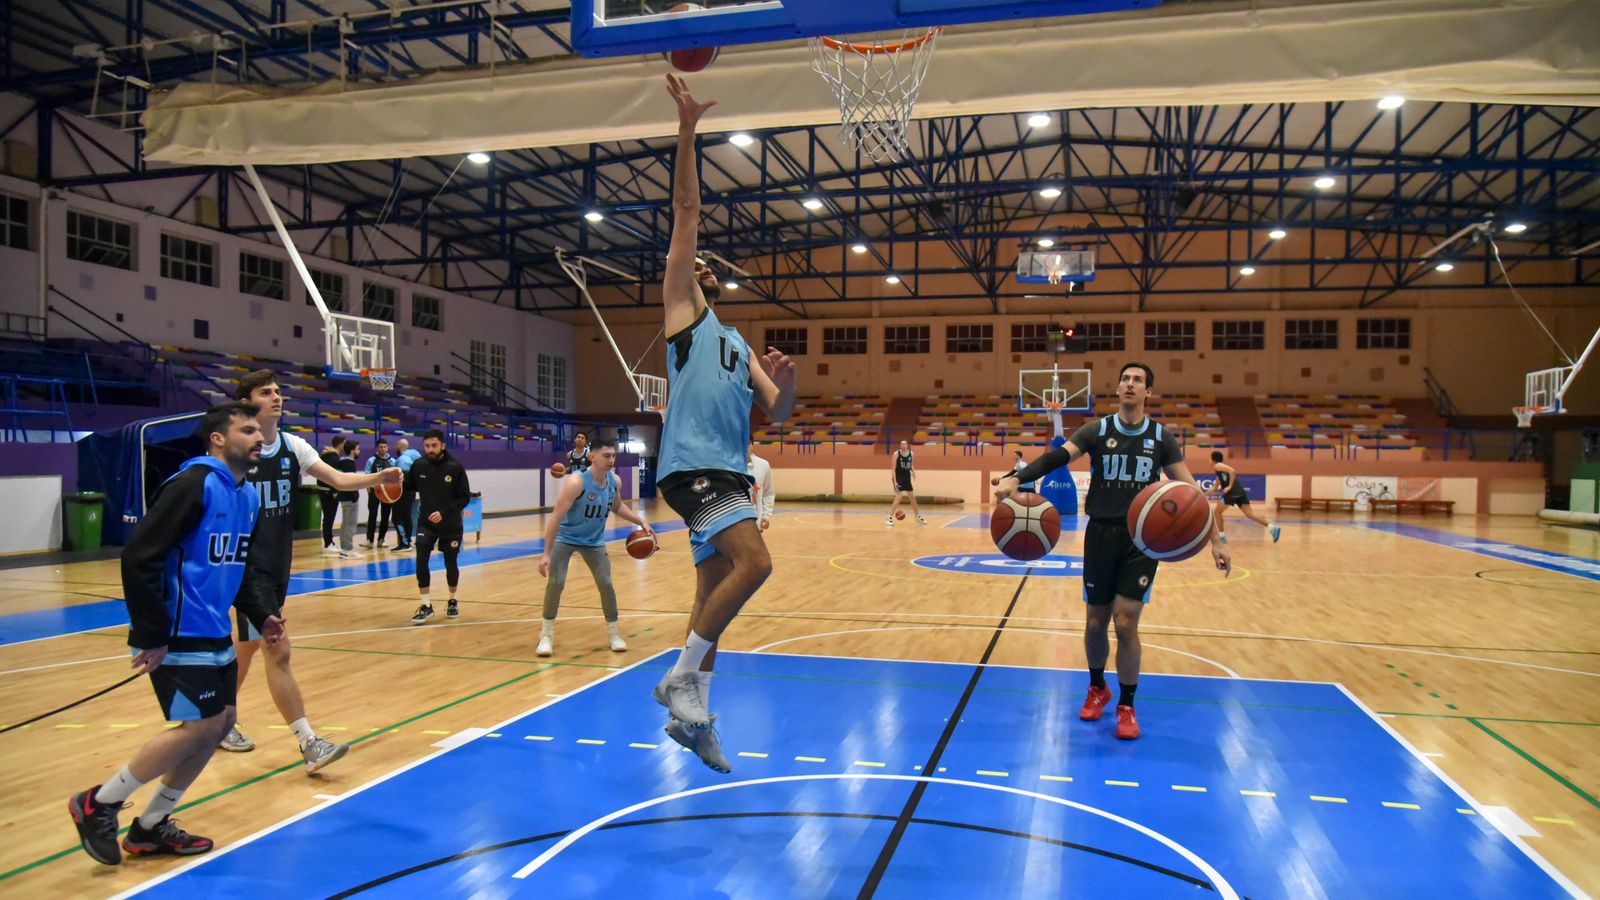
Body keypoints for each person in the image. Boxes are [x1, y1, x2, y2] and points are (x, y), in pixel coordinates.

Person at [652, 74, 797, 774]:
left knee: (715, 593)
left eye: (706, 264)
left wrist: (790, 382)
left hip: (726, 469)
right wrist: (687, 130)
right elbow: (686, 212)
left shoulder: (736, 343)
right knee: (757, 562)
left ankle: (696, 707)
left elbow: (781, 410)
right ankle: (680, 680)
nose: (698, 261)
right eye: (694, 260)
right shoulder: (684, 312)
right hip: (693, 464)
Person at [69, 402, 282, 865]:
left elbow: (238, 566)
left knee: (220, 724)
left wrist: (260, 613)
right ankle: (99, 803)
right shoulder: (193, 484)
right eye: (247, 429)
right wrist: (152, 633)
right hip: (178, 628)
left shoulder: (246, 495)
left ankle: (149, 828)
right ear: (218, 439)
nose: (258, 436)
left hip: (213, 629)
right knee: (202, 726)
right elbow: (140, 556)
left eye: (258, 428)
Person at [996, 362, 1231, 741]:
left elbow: (1192, 494)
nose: (1129, 384)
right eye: (1125, 379)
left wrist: (1216, 540)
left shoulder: (1160, 438)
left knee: (1125, 623)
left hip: (1142, 540)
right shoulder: (1098, 430)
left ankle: (1126, 704)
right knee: (1094, 622)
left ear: (1148, 392)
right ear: (1118, 387)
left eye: (1138, 380)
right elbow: (1058, 457)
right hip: (1101, 533)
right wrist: (1017, 478)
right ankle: (1096, 686)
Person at [221, 370, 402, 769]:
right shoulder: (233, 454)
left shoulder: (293, 447)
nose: (277, 397)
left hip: (276, 565)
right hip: (247, 571)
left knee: (248, 646)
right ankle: (308, 743)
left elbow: (338, 479)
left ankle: (219, 721)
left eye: (278, 391)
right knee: (277, 649)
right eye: (266, 392)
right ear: (247, 403)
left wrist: (378, 477)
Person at [537, 436, 653, 655]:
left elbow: (617, 507)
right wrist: (546, 553)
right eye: (606, 456)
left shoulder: (614, 481)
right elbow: (555, 517)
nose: (611, 460)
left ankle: (614, 633)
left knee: (606, 584)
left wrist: (641, 521)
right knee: (556, 582)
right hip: (567, 537)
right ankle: (545, 635)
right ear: (592, 457)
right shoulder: (576, 482)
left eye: (613, 456)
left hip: (594, 541)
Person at [407, 430, 472, 625]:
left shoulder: (455, 467)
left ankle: (452, 600)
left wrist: (444, 512)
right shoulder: (418, 465)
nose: (430, 449)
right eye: (427, 446)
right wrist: (390, 484)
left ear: (442, 445)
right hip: (426, 524)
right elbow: (408, 487)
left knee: (450, 564)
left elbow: (464, 497)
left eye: (434, 445)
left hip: (450, 525)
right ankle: (426, 605)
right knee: (421, 562)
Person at [1204, 450, 1280, 544]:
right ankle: (1272, 527)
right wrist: (1203, 494)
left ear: (1213, 459)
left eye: (1209, 458)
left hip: (1232, 492)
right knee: (1250, 514)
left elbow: (1232, 471)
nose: (1208, 460)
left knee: (1217, 512)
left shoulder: (1218, 466)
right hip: (1240, 492)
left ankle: (1222, 536)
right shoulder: (1220, 471)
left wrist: (1229, 486)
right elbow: (1214, 488)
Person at [362, 438, 396, 549]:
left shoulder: (392, 461)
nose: (383, 449)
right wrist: (368, 488)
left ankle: (381, 539)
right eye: (381, 447)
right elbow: (367, 476)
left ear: (387, 447)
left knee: (385, 516)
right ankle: (369, 540)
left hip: (387, 493)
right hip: (374, 492)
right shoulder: (371, 460)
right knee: (372, 515)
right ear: (377, 448)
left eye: (384, 446)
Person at [392, 438, 422, 551]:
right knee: (406, 516)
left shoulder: (402, 460)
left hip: (403, 491)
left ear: (399, 447)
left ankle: (404, 543)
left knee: (396, 517)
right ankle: (407, 540)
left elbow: (401, 477)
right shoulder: (414, 457)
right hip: (412, 491)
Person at [887, 440, 927, 526]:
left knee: (912, 496)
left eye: (905, 444)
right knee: (899, 497)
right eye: (902, 444)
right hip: (898, 478)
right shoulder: (896, 454)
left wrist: (913, 471)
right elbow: (893, 469)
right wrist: (895, 482)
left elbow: (911, 465)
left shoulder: (911, 454)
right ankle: (889, 518)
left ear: (907, 446)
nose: (903, 446)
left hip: (907, 478)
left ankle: (917, 516)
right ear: (900, 446)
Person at [318, 436, 346, 555]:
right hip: (329, 491)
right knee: (329, 518)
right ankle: (328, 543)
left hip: (323, 490)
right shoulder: (333, 458)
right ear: (340, 444)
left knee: (328, 518)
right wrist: (334, 491)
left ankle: (329, 542)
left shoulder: (326, 456)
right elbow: (333, 477)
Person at [336, 441, 362, 558]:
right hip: (349, 497)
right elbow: (350, 481)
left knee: (345, 523)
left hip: (344, 496)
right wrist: (354, 496)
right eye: (357, 449)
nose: (358, 451)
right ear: (352, 451)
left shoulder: (341, 461)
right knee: (350, 524)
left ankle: (345, 548)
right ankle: (347, 549)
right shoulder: (349, 463)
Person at [748, 443, 774, 532]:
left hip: (756, 525)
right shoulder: (730, 467)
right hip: (735, 526)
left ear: (752, 445)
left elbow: (768, 493)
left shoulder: (763, 465)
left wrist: (766, 516)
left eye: (748, 443)